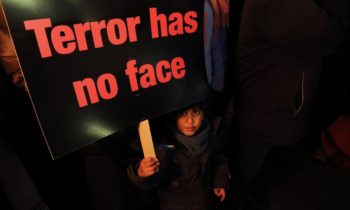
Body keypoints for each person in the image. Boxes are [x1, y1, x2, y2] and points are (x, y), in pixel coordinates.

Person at [234, 0, 350, 208]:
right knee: (247, 171)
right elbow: (327, 33)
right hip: (266, 106)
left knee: (256, 167)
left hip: (269, 102)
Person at [127, 103, 231, 210]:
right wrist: (141, 172)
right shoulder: (163, 143)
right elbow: (150, 181)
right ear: (173, 115)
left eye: (195, 112)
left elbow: (219, 160)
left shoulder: (211, 134)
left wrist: (220, 181)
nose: (190, 120)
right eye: (183, 113)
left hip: (206, 203)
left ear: (203, 115)